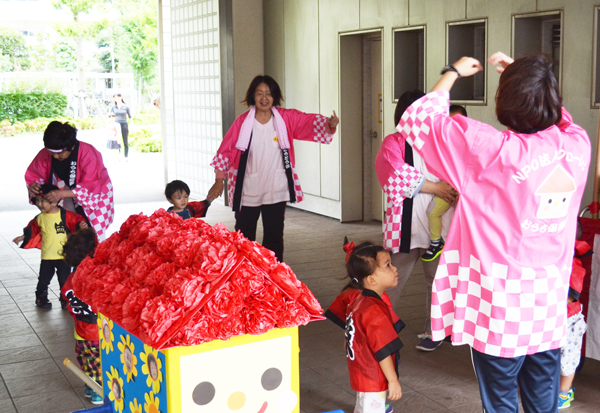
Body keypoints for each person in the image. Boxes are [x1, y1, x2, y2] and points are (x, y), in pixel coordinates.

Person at [398, 52, 590, 412]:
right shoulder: (578, 146)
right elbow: (561, 120)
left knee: (500, 404)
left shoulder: (489, 150)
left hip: (497, 309)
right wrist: (528, 79)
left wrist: (453, 73)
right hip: (548, 309)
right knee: (542, 403)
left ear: (506, 102)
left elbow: (417, 120)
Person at [207, 75, 338, 263]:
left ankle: (273, 277)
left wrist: (328, 124)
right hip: (248, 188)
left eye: (268, 93)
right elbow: (227, 149)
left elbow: (305, 122)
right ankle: (244, 276)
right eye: (259, 93)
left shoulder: (285, 118)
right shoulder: (243, 122)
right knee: (244, 237)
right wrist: (219, 179)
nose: (264, 98)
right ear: (252, 96)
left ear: (274, 97)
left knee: (274, 238)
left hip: (276, 188)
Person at [375, 91, 458, 351]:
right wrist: (436, 188)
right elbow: (394, 173)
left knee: (437, 281)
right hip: (406, 225)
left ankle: (436, 331)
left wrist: (451, 190)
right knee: (392, 278)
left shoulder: (441, 140)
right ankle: (379, 328)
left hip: (439, 224)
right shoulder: (394, 141)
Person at [336, 241, 403, 413]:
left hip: (361, 371)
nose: (395, 269)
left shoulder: (358, 300)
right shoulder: (374, 310)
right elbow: (383, 351)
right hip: (373, 377)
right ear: (371, 279)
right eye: (388, 265)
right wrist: (393, 380)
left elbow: (348, 335)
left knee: (363, 406)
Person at [25, 121, 114, 240]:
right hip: (65, 193)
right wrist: (34, 186)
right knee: (68, 230)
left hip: (96, 197)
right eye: (51, 153)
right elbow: (34, 175)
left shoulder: (88, 152)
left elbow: (92, 184)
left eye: (60, 153)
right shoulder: (45, 153)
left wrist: (61, 194)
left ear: (71, 147)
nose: (56, 157)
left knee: (93, 235)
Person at [12, 184, 88, 309]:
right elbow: (32, 229)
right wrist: (23, 237)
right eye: (37, 200)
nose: (39, 204)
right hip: (47, 257)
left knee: (64, 281)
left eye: (43, 201)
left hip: (64, 257)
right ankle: (41, 298)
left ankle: (65, 300)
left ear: (54, 202)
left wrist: (81, 227)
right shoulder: (40, 218)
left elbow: (77, 223)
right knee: (43, 280)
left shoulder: (66, 215)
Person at [60, 228, 103, 405]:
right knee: (100, 362)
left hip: (81, 330)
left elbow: (69, 304)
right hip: (98, 332)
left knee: (86, 359)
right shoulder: (97, 279)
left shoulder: (70, 280)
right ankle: (98, 391)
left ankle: (88, 385)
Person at [421, 105, 467, 262]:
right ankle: (437, 243)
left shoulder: (467, 144)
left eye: (457, 122)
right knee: (433, 212)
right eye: (449, 121)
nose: (453, 126)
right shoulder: (442, 142)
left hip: (459, 190)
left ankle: (437, 244)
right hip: (448, 189)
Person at [558, 240, 590, 409]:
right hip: (553, 318)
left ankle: (563, 394)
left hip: (569, 320)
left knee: (567, 359)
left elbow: (571, 297)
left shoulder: (573, 265)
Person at [111, 93, 132, 160]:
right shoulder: (113, 107)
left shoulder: (126, 107)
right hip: (116, 125)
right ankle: (118, 156)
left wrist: (131, 125)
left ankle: (126, 156)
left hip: (124, 124)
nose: (117, 99)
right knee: (117, 140)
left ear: (121, 97)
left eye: (118, 97)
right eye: (115, 98)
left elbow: (130, 117)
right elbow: (111, 116)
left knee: (125, 140)